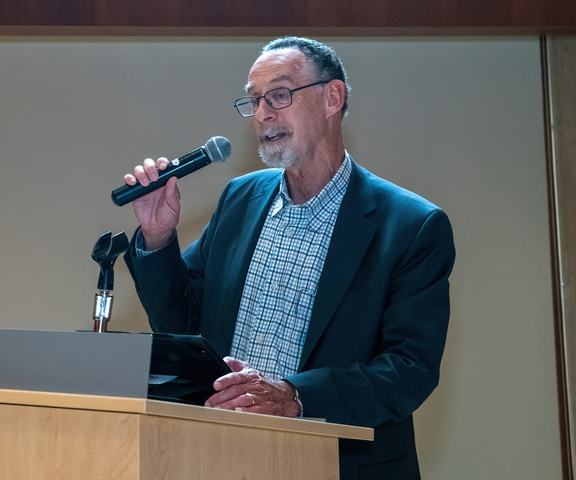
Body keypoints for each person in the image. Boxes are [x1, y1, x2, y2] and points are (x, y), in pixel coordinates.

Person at [123, 37, 455, 480]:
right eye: (255, 100)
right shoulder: (240, 199)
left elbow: (409, 369)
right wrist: (158, 236)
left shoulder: (412, 225)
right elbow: (182, 327)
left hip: (338, 464)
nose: (262, 114)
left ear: (332, 97)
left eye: (279, 95)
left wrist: (295, 395)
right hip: (218, 456)